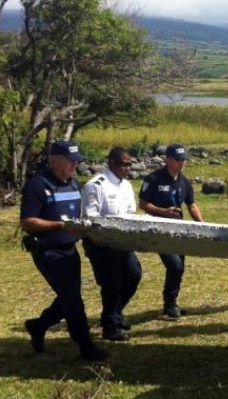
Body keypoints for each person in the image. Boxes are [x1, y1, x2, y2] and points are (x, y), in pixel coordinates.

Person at [20, 140, 107, 361]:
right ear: (55, 160)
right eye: (71, 161)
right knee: (73, 299)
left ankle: (38, 325)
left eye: (77, 162)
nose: (75, 166)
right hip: (48, 251)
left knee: (68, 297)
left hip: (69, 249)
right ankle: (85, 345)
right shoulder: (37, 186)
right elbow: (28, 222)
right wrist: (59, 226)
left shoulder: (74, 185)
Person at [81, 146, 142, 341]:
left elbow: (130, 212)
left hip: (123, 242)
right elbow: (91, 218)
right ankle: (110, 327)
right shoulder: (96, 185)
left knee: (133, 275)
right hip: (102, 243)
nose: (128, 168)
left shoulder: (126, 185)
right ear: (112, 163)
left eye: (130, 164)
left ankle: (114, 313)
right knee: (112, 284)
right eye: (125, 164)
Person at [139, 143, 204, 318]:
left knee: (180, 266)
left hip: (179, 230)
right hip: (159, 231)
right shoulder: (153, 179)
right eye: (178, 160)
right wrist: (162, 211)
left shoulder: (184, 181)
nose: (182, 163)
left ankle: (171, 303)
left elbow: (191, 205)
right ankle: (169, 304)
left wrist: (203, 225)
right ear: (168, 160)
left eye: (184, 160)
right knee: (174, 265)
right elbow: (143, 204)